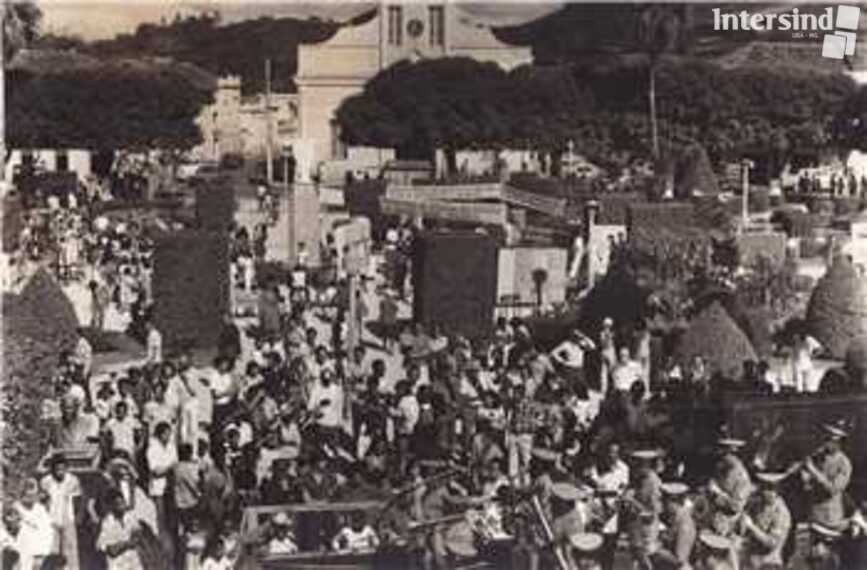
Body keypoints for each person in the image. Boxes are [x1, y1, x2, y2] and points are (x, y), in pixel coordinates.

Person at [803, 422, 852, 530]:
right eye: (826, 438)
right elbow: (810, 481)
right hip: (814, 513)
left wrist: (812, 470)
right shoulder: (819, 456)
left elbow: (832, 489)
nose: (825, 443)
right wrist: (806, 478)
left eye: (830, 440)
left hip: (829, 517)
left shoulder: (844, 464)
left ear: (839, 443)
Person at [740, 471, 791, 570]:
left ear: (778, 491)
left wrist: (751, 527)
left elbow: (772, 543)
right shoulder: (759, 503)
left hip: (769, 563)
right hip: (751, 560)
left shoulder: (781, 512)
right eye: (764, 488)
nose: (765, 492)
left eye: (771, 489)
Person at [40, 454, 82, 569]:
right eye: (57, 469)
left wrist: (76, 517)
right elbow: (43, 501)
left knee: (70, 550)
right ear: (52, 469)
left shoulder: (73, 480)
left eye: (63, 469)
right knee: (52, 550)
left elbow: (77, 500)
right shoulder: (46, 481)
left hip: (68, 518)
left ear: (66, 468)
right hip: (51, 520)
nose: (60, 472)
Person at [651, 481, 696, 570]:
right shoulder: (674, 519)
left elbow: (679, 560)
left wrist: (657, 552)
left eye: (664, 501)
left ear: (673, 501)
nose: (662, 505)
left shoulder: (685, 524)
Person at [97, 489, 144, 570]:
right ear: (111, 506)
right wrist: (127, 543)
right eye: (118, 504)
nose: (123, 506)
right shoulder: (107, 523)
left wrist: (121, 545)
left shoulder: (129, 516)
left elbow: (138, 535)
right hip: (118, 566)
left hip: (133, 563)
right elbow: (112, 551)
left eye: (123, 503)